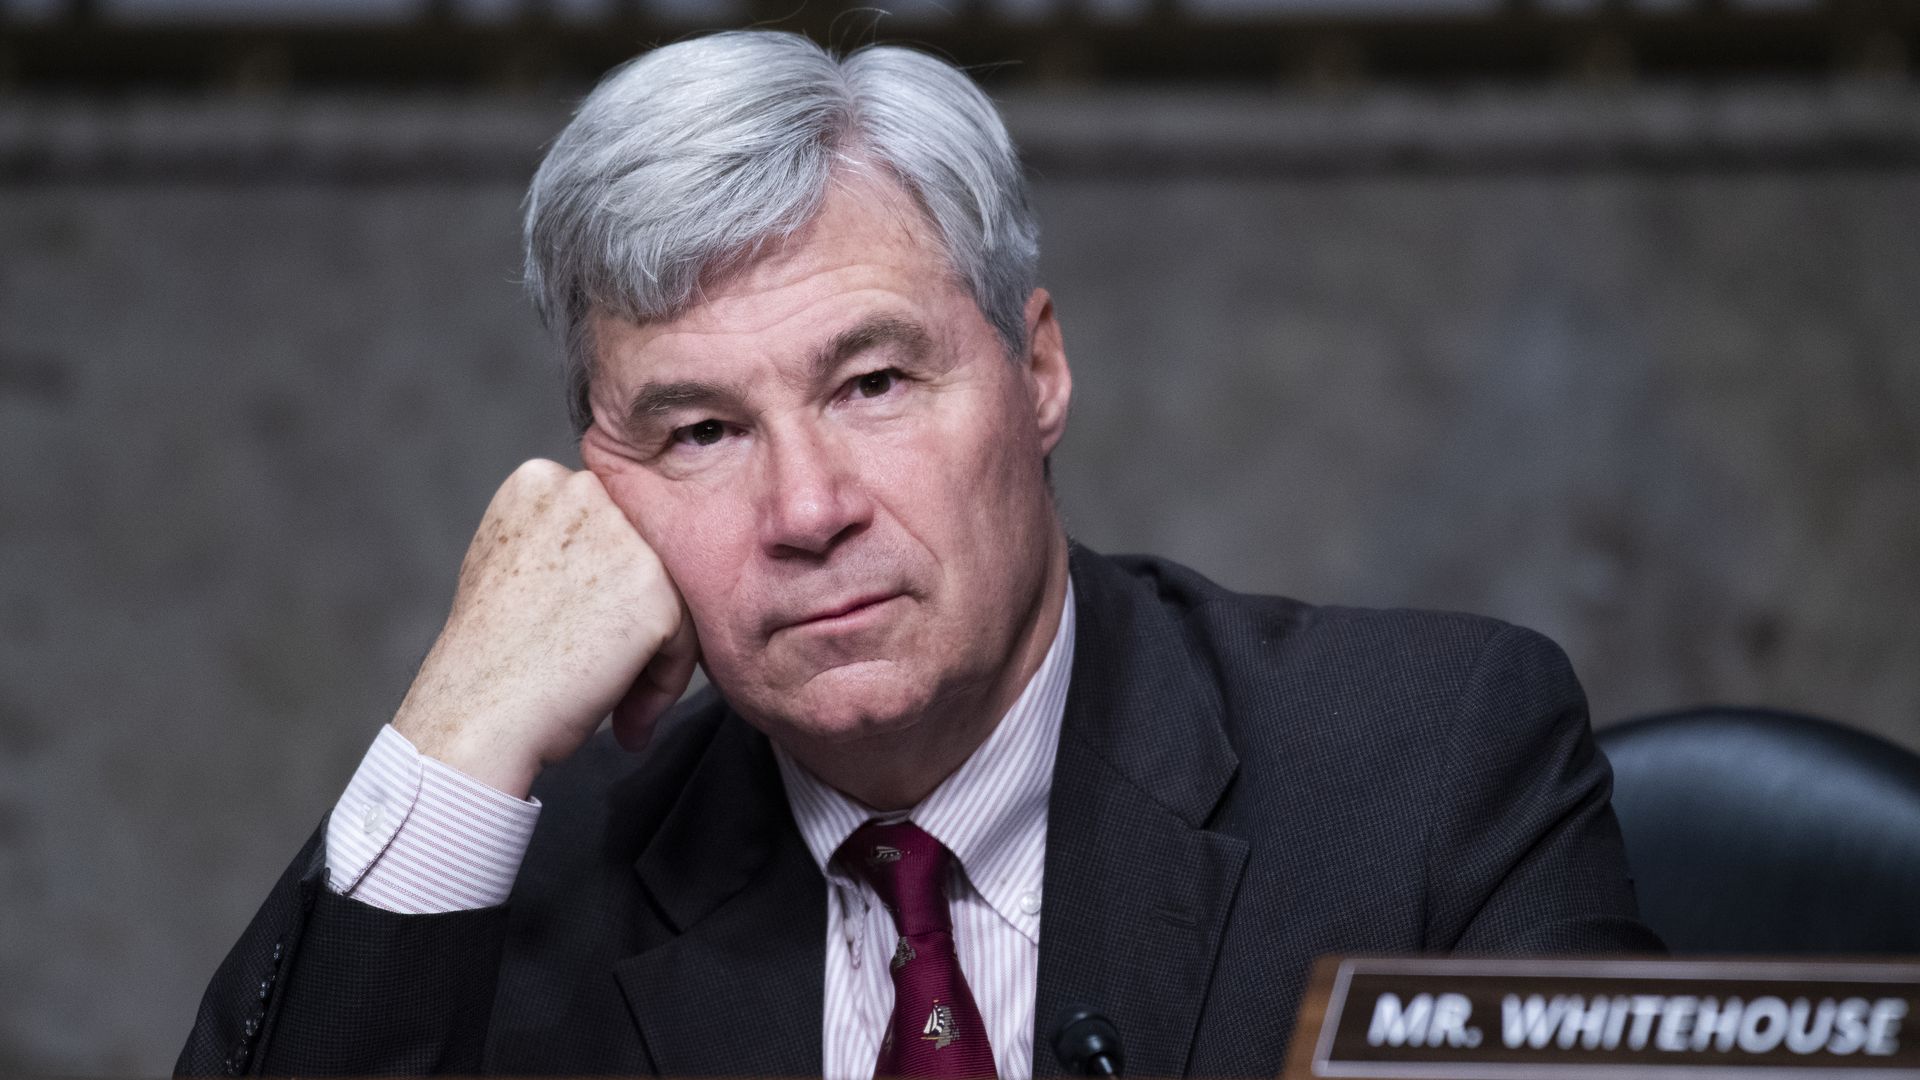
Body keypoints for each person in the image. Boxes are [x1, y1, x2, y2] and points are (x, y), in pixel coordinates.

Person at [178, 29, 1660, 1079]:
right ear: (600, 488)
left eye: (873, 383)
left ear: (1039, 372)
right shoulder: (535, 881)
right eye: (700, 431)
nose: (807, 507)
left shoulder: (1424, 766)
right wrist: (455, 730)